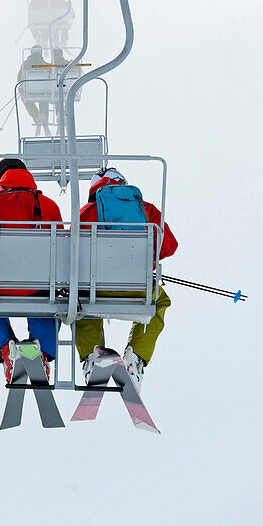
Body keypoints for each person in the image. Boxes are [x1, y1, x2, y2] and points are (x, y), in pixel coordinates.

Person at [75, 167, 178, 389]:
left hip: (95, 288)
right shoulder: (145, 209)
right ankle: (136, 357)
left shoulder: (85, 213)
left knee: (81, 303)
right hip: (137, 288)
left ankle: (92, 357)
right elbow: (169, 246)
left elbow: (72, 253)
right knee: (159, 302)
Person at [0, 158, 63, 381]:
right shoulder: (48, 205)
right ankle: (40, 352)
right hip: (38, 284)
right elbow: (59, 241)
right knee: (49, 303)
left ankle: (6, 350)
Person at [17, 45, 50, 135]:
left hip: (29, 91)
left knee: (26, 99)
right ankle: (44, 116)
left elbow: (19, 78)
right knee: (45, 98)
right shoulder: (46, 64)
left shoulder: (26, 64)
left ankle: (36, 116)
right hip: (44, 91)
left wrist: (21, 87)